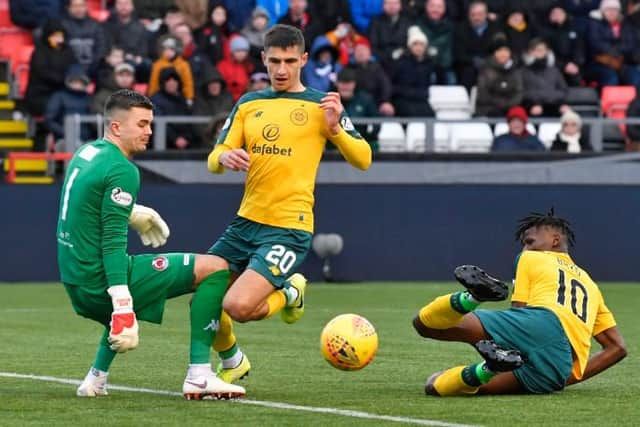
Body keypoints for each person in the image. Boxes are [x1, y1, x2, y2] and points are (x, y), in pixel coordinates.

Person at [204, 24, 372, 382]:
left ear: (304, 60)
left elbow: (364, 159)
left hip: (288, 226)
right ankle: (234, 362)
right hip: (245, 222)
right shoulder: (249, 104)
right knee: (204, 301)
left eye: (290, 61)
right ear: (263, 59)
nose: (282, 69)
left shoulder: (322, 104)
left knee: (237, 306)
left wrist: (336, 129)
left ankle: (290, 290)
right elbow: (214, 157)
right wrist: (225, 158)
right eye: (275, 61)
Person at [57, 89, 245, 400]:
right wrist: (121, 304)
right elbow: (112, 241)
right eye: (142, 124)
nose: (149, 132)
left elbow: (83, 208)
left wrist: (129, 211)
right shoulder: (122, 169)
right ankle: (200, 376)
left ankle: (96, 378)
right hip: (99, 280)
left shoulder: (86, 153)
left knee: (138, 283)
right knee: (215, 268)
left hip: (74, 279)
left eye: (150, 124)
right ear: (117, 127)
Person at [413, 209, 627, 396]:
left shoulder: (531, 258)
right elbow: (617, 348)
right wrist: (564, 376)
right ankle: (488, 369)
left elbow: (519, 311)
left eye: (529, 242)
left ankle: (473, 297)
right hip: (556, 367)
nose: (525, 248)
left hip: (540, 323)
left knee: (424, 324)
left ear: (554, 240)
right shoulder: (590, 285)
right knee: (435, 384)